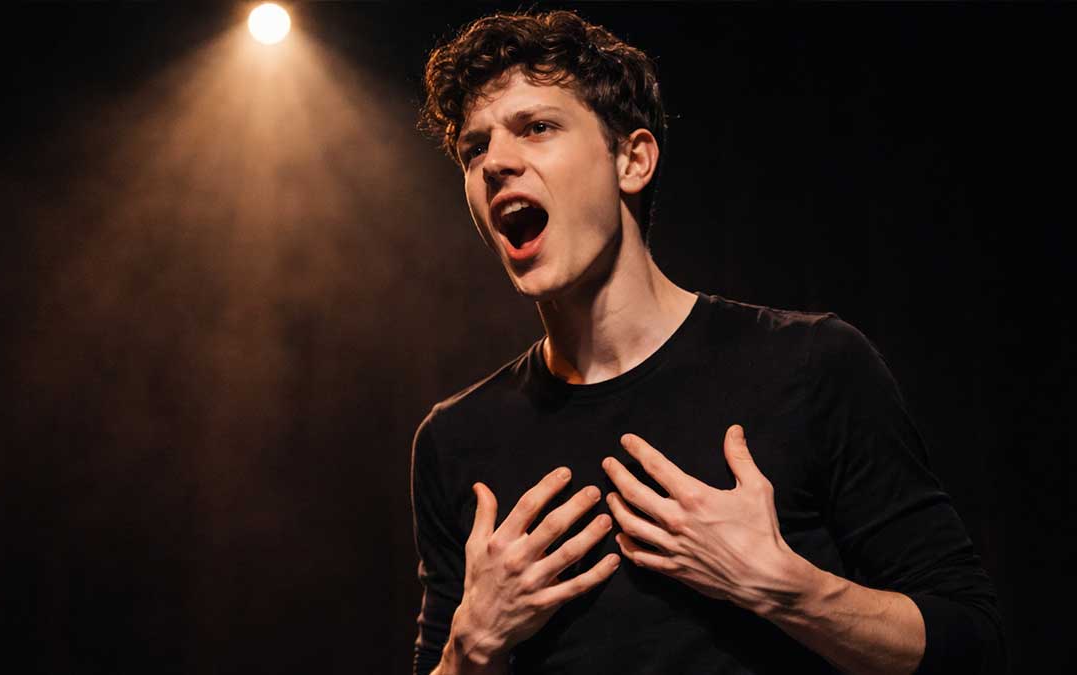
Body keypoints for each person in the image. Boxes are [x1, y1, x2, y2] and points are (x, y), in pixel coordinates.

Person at [410, 10, 1003, 675]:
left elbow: (971, 644)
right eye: (475, 149)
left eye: (537, 127)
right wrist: (470, 648)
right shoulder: (455, 440)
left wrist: (786, 589)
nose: (495, 163)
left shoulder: (811, 366)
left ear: (633, 160)